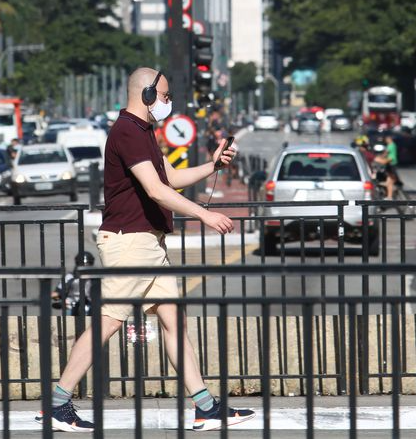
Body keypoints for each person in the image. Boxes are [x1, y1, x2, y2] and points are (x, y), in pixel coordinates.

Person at [36, 68, 255, 433]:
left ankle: (206, 407)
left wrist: (213, 165)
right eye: (166, 96)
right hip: (131, 243)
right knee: (107, 323)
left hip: (148, 242)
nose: (169, 104)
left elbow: (169, 178)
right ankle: (57, 405)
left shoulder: (142, 132)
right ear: (149, 95)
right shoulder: (127, 132)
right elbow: (155, 190)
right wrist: (204, 214)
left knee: (173, 321)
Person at [52, 251, 95, 316]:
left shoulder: (96, 278)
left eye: (88, 264)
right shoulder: (70, 277)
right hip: (71, 305)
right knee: (68, 318)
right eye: (82, 264)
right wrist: (57, 296)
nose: (85, 267)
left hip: (92, 306)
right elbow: (57, 292)